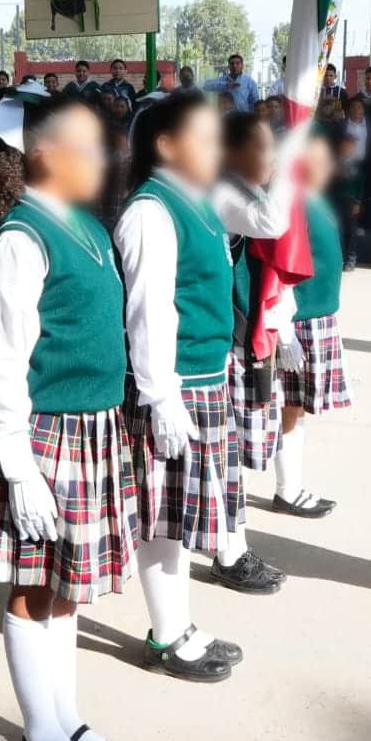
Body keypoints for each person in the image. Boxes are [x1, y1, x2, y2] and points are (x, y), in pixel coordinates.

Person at [0, 89, 136, 741]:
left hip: (91, 431)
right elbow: (0, 360)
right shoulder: (23, 235)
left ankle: (66, 721)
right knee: (35, 591)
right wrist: (19, 468)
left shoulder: (84, 224)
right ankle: (41, 736)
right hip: (44, 437)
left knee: (67, 592)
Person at [116, 90, 248, 683]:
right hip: (174, 385)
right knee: (165, 513)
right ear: (166, 145)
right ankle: (167, 634)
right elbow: (149, 311)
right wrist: (160, 394)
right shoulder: (150, 210)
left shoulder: (193, 202)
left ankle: (180, 623)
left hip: (204, 377)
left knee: (185, 512)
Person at [210, 111, 302, 594]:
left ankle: (231, 547)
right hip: (209, 345)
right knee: (219, 454)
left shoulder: (238, 190)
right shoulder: (218, 192)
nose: (268, 160)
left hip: (233, 338)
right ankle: (228, 552)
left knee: (228, 452)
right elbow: (271, 223)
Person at [275, 133, 349, 518]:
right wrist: (285, 331)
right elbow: (277, 270)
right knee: (290, 407)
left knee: (297, 409)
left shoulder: (311, 197)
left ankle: (291, 484)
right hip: (299, 320)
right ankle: (288, 489)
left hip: (317, 316)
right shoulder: (288, 202)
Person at [331, 131, 364, 271]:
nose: (348, 148)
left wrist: (358, 202)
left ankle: (351, 259)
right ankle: (340, 258)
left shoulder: (357, 165)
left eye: (351, 145)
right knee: (339, 229)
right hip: (338, 199)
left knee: (352, 230)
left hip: (351, 201)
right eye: (346, 145)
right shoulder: (336, 163)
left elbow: (361, 185)